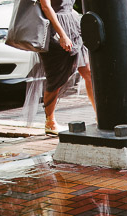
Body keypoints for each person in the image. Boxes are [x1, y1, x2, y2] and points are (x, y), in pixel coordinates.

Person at [36, 0, 95, 135]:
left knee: (89, 72)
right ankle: (50, 122)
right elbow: (46, 6)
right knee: (55, 79)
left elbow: (67, 6)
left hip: (73, 27)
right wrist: (62, 35)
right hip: (55, 31)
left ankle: (100, 115)